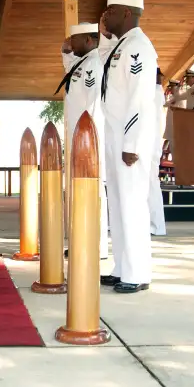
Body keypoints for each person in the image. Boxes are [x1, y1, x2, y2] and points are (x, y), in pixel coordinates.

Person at [98, 0, 157, 294]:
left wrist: (132, 141)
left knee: (132, 204)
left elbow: (139, 98)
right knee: (119, 204)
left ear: (125, 13)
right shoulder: (122, 46)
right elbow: (106, 68)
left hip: (128, 138)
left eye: (110, 12)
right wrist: (105, 38)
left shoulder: (139, 48)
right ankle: (122, 267)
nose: (104, 16)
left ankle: (137, 272)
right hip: (114, 134)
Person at [55, 23, 108, 260]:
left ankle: (95, 246)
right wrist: (65, 50)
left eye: (74, 39)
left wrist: (89, 140)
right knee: (78, 191)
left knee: (92, 192)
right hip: (78, 137)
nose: (70, 41)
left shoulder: (94, 65)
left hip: (87, 140)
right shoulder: (82, 62)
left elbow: (94, 104)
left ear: (88, 40)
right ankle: (81, 241)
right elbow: (70, 72)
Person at [149, 69, 167, 236]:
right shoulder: (157, 93)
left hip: (149, 145)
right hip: (151, 145)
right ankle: (154, 224)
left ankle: (156, 225)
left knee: (151, 185)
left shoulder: (153, 93)